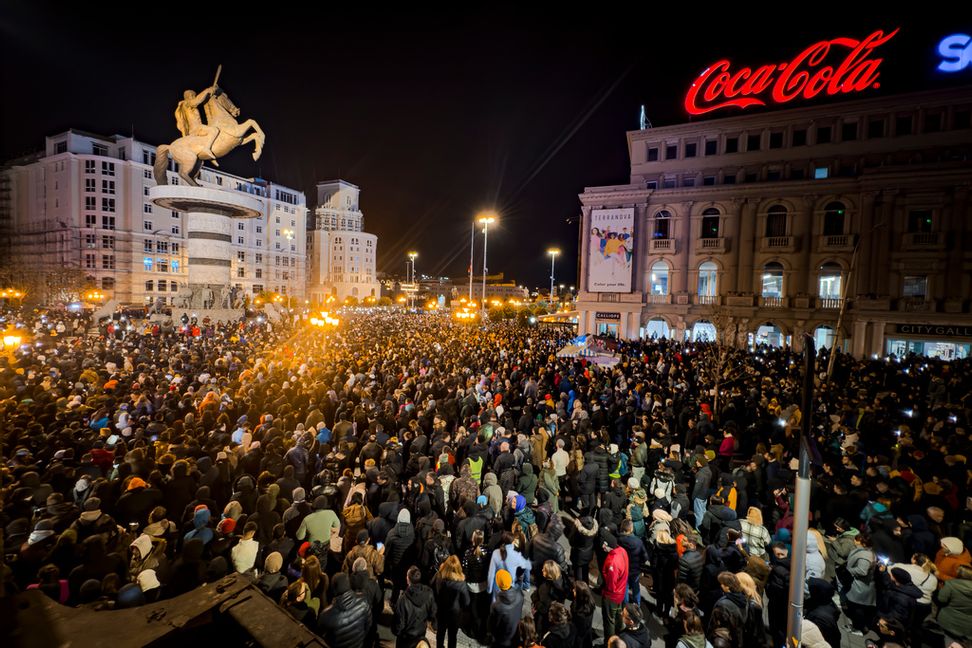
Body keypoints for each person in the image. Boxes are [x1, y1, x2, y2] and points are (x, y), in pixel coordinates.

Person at [316, 572, 372, 648]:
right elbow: (367, 627)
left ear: (334, 589)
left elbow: (320, 637)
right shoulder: (364, 602)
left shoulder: (326, 614)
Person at [393, 566, 436, 648]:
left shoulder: (403, 599)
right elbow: (433, 612)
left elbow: (399, 623)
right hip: (420, 635)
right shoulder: (429, 593)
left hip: (405, 638)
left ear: (408, 579)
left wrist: (397, 631)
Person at [434, 556, 472, 648]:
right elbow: (466, 602)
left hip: (441, 611)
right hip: (454, 614)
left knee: (440, 633)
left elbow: (435, 592)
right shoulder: (461, 583)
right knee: (452, 636)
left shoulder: (439, 576)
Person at [174, 85, 220, 161]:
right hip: (196, 128)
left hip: (196, 128)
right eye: (193, 95)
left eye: (194, 95)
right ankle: (207, 148)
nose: (194, 97)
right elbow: (198, 100)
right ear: (189, 96)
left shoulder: (187, 105)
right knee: (214, 130)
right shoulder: (187, 103)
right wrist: (208, 90)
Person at [934, 564, 972, 645]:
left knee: (946, 642)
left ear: (960, 574)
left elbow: (941, 600)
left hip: (948, 622)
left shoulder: (950, 584)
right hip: (968, 627)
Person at [601, 534, 629, 640]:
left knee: (609, 620)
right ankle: (620, 636)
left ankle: (609, 643)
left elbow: (611, 585)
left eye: (604, 545)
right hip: (620, 592)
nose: (603, 547)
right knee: (618, 616)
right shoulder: (622, 550)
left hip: (612, 595)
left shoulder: (613, 562)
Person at [489, 569, 525, 648]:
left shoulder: (497, 606)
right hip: (515, 635)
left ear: (499, 584)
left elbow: (493, 627)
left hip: (502, 641)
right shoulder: (520, 595)